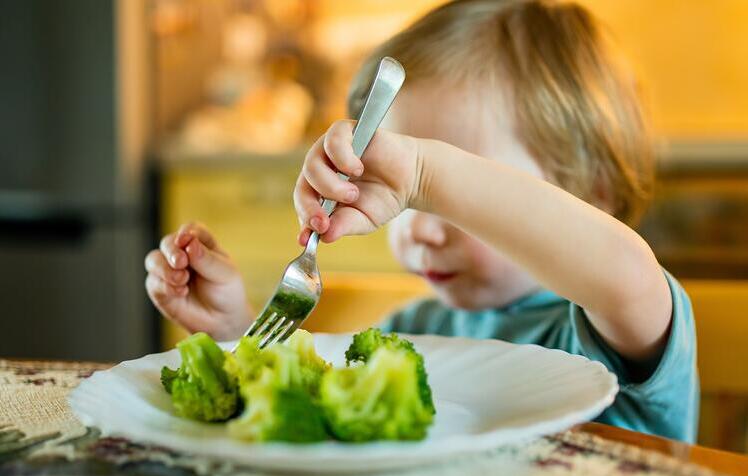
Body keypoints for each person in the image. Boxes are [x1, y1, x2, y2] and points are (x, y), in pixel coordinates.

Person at [145, 0, 698, 442]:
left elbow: (626, 274)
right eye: (405, 197)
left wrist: (429, 173)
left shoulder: (616, 330)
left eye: (451, 190)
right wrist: (235, 332)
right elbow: (314, 419)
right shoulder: (418, 330)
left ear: (592, 191)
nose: (420, 229)